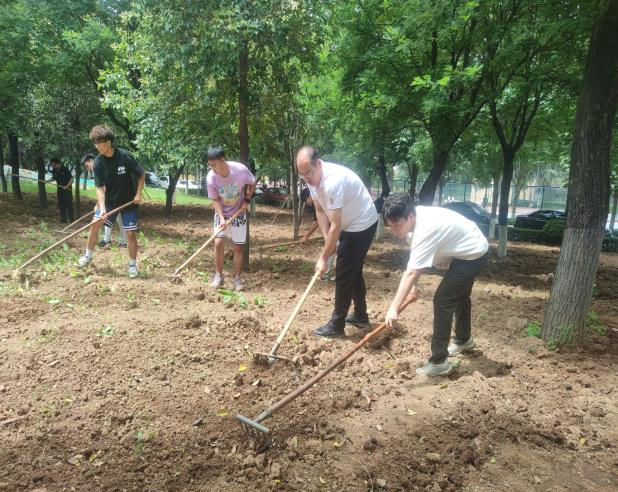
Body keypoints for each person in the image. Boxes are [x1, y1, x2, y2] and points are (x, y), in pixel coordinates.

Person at [382, 193, 489, 377]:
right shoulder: (414, 220)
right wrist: (413, 286)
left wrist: (393, 308)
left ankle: (439, 362)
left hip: (473, 253)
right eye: (390, 226)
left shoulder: (425, 228)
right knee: (459, 295)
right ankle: (464, 339)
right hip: (466, 247)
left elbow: (411, 273)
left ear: (410, 217)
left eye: (396, 225)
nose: (394, 231)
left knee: (443, 300)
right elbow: (416, 261)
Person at [296, 146, 378, 337]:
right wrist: (327, 239)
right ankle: (360, 316)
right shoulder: (312, 180)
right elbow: (319, 210)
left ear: (318, 163)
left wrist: (323, 257)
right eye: (302, 174)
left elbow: (335, 224)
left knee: (343, 272)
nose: (307, 178)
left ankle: (337, 325)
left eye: (309, 172)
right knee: (353, 271)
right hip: (347, 224)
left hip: (362, 223)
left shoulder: (332, 181)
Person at [78, 125, 145, 278]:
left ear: (108, 142)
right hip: (110, 202)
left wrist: (138, 194)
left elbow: (141, 174)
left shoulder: (124, 156)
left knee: (130, 233)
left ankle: (132, 265)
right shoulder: (98, 163)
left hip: (129, 201)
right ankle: (87, 256)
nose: (96, 146)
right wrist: (102, 208)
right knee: (94, 225)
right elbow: (100, 188)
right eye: (95, 143)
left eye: (99, 143)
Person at [206, 144, 256, 291]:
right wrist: (222, 218)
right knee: (218, 242)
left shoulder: (240, 170)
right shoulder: (211, 177)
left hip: (239, 213)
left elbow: (252, 183)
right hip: (222, 213)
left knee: (238, 247)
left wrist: (246, 200)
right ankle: (218, 276)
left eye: (214, 165)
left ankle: (237, 279)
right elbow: (215, 200)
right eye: (210, 165)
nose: (212, 168)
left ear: (222, 160)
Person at [82, 153, 128, 249]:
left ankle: (123, 242)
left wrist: (98, 204)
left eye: (87, 166)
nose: (88, 169)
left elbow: (104, 188)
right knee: (108, 219)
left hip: (117, 198)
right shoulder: (98, 169)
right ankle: (107, 240)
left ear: (91, 161)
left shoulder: (101, 167)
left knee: (120, 221)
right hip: (110, 200)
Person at [300, 187, 335, 281]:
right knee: (336, 249)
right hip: (337, 226)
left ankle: (324, 276)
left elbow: (316, 223)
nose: (307, 204)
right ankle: (339, 275)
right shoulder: (319, 199)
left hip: (340, 226)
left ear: (309, 197)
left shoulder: (320, 200)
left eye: (306, 201)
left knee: (331, 248)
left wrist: (306, 236)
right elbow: (317, 220)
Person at [47, 157, 74, 223]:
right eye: (52, 165)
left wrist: (67, 186)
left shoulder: (65, 169)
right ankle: (64, 220)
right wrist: (46, 181)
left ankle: (71, 220)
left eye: (54, 165)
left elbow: (71, 179)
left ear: (58, 163)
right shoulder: (54, 170)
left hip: (67, 190)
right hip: (60, 190)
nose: (53, 167)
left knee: (68, 204)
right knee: (61, 205)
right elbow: (54, 178)